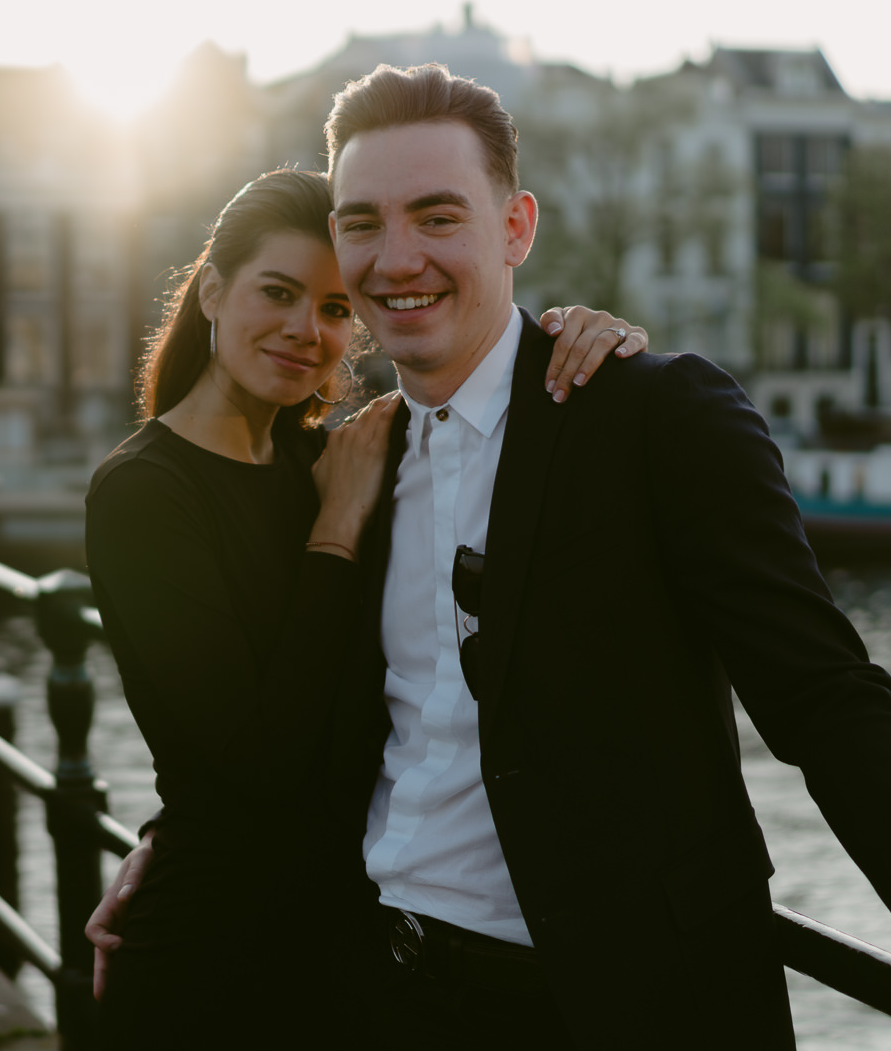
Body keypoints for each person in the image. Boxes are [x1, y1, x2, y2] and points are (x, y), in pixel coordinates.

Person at [93, 64, 891, 1051]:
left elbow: (826, 695)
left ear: (514, 227)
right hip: (371, 994)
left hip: (614, 1009)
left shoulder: (653, 418)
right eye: (362, 224)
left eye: (437, 216)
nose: (395, 258)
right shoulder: (348, 470)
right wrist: (173, 843)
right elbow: (283, 718)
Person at [83, 167, 647, 1049]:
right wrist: (335, 532)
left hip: (345, 958)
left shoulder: (336, 457)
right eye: (277, 293)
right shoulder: (144, 495)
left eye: (336, 307)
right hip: (205, 961)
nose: (306, 330)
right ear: (211, 291)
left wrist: (584, 334)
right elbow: (246, 760)